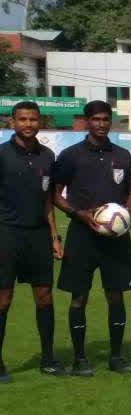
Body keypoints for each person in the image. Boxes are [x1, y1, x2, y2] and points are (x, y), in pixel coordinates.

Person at [52, 100, 131, 376]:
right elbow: (55, 195)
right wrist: (80, 214)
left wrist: (127, 216)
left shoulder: (123, 156)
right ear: (86, 121)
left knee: (116, 297)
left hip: (115, 240)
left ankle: (116, 356)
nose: (101, 124)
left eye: (105, 119)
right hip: (82, 236)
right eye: (96, 119)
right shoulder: (70, 155)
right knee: (79, 297)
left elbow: (130, 193)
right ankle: (79, 359)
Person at [0, 101, 64, 382]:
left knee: (44, 296)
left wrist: (53, 236)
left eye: (33, 119)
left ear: (40, 122)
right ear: (12, 121)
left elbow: (48, 201)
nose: (28, 124)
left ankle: (48, 358)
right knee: (3, 299)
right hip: (6, 234)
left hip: (38, 235)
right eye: (22, 119)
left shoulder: (47, 156)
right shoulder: (2, 155)